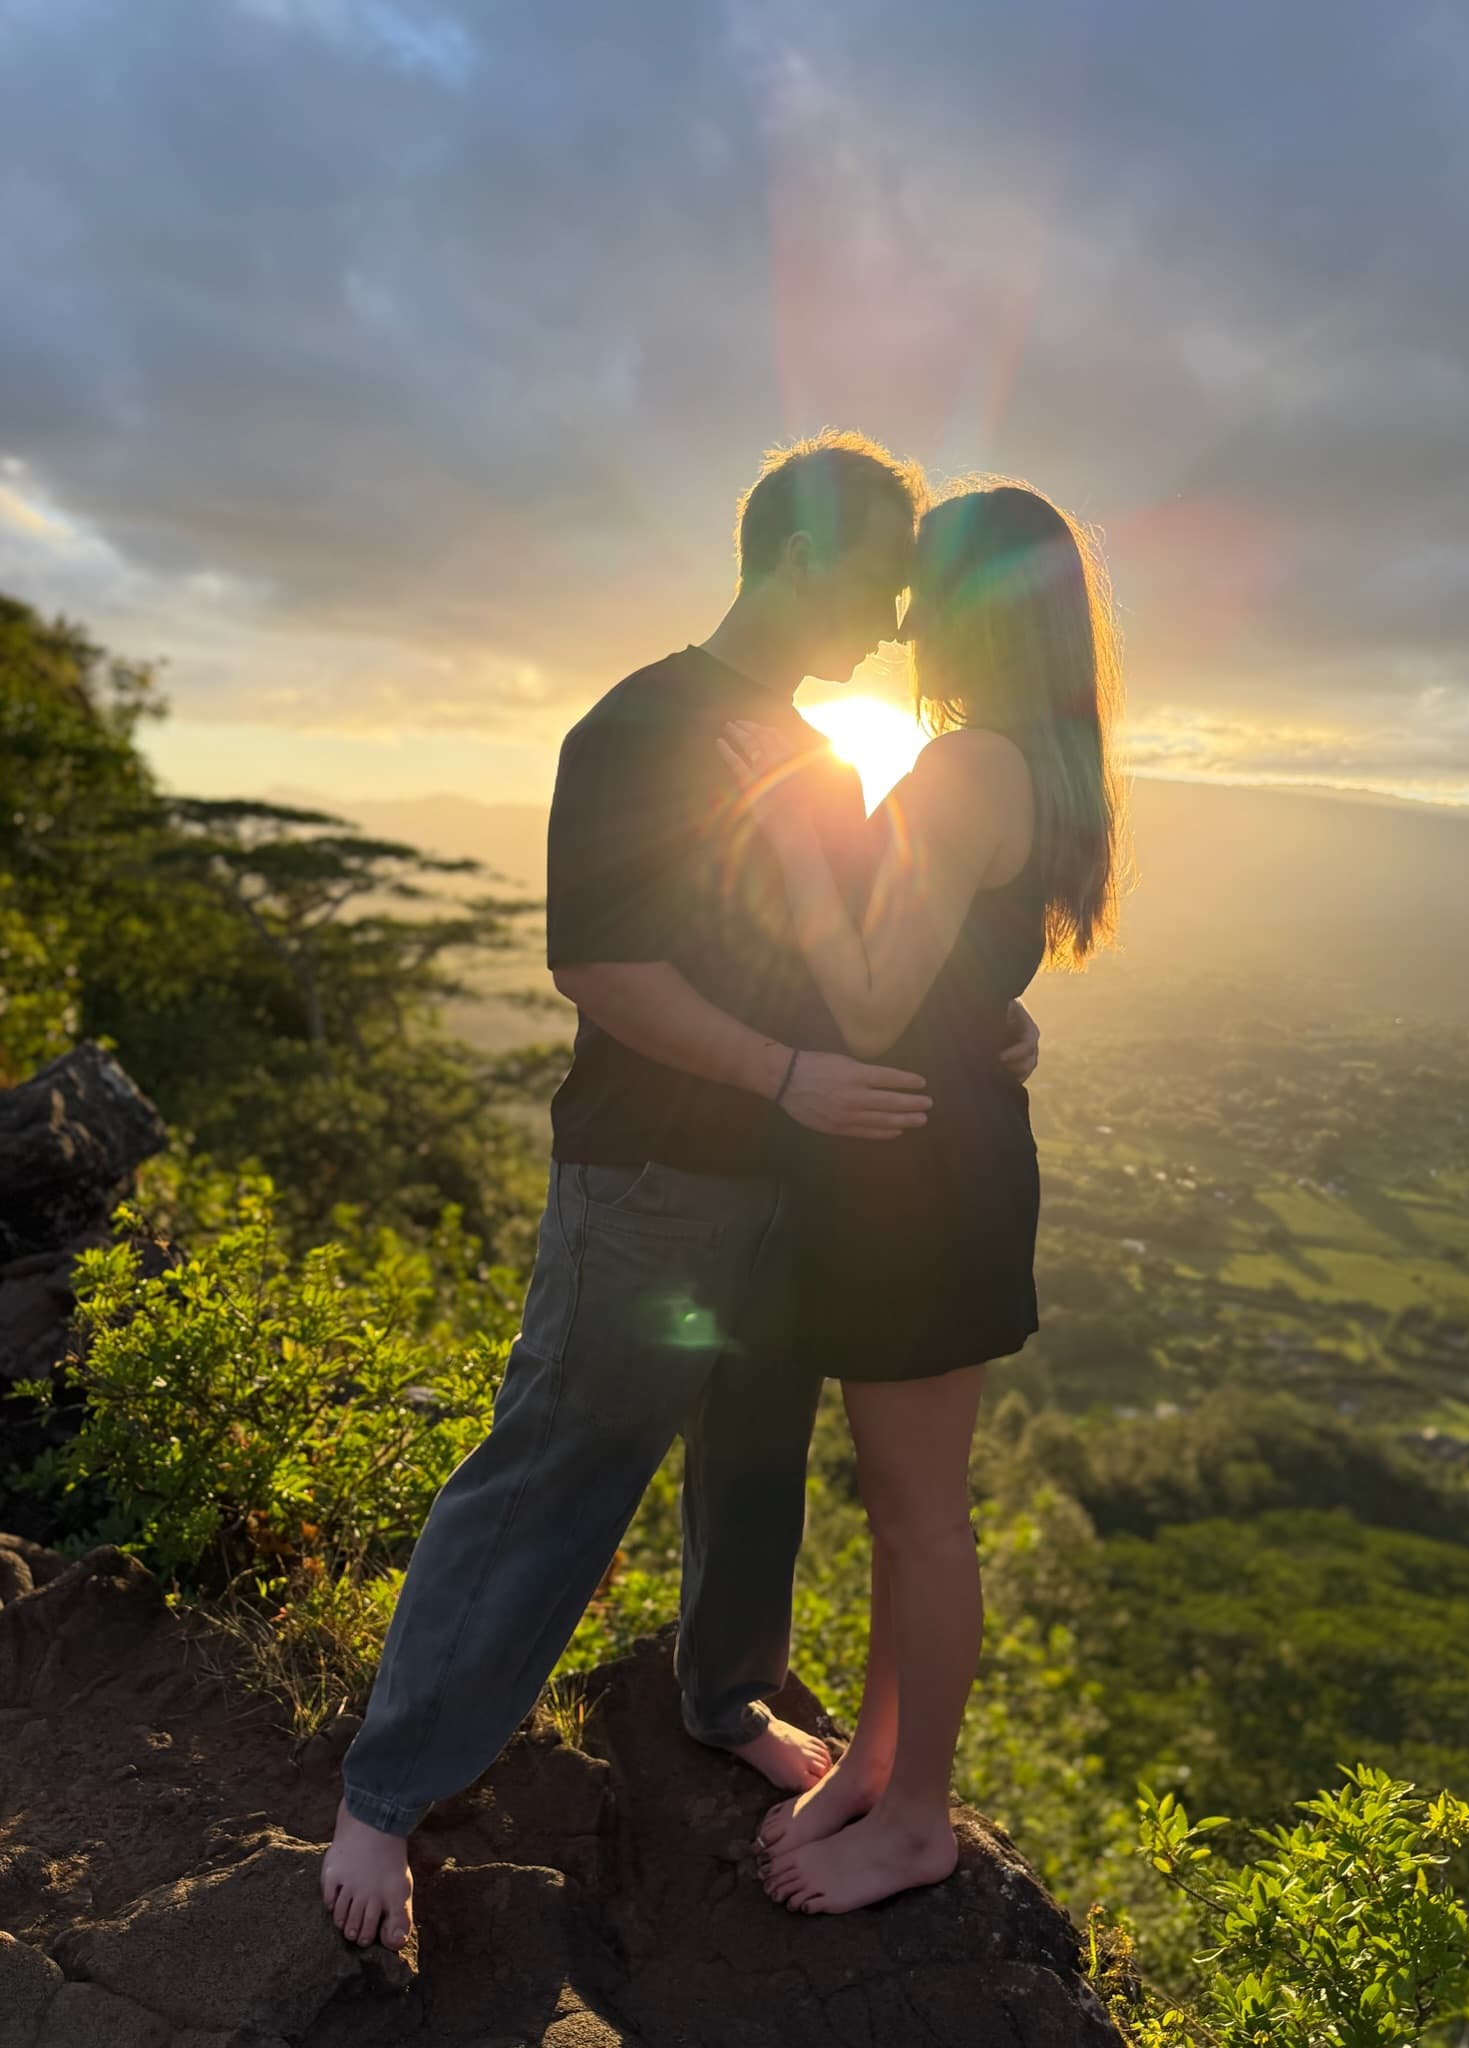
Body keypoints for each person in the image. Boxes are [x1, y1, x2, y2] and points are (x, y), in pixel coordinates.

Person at [320, 431, 1043, 1949]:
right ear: (790, 555)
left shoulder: (821, 749)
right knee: (561, 1461)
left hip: (805, 1187)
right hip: (656, 1173)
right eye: (879, 578)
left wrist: (986, 1022)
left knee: (755, 1463)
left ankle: (723, 1696)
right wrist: (782, 1077)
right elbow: (598, 965)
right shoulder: (642, 724)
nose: (898, 620)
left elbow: (873, 959)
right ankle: (387, 1793)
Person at [715, 480, 1125, 1915]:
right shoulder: (1040, 763)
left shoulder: (965, 769)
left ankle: (921, 1817)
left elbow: (878, 989)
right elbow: (966, 985)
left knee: (921, 1508)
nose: (894, 618)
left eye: (917, 591)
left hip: (916, 1172)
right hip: (932, 1155)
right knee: (899, 1502)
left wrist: (787, 831)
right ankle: (876, 1766)